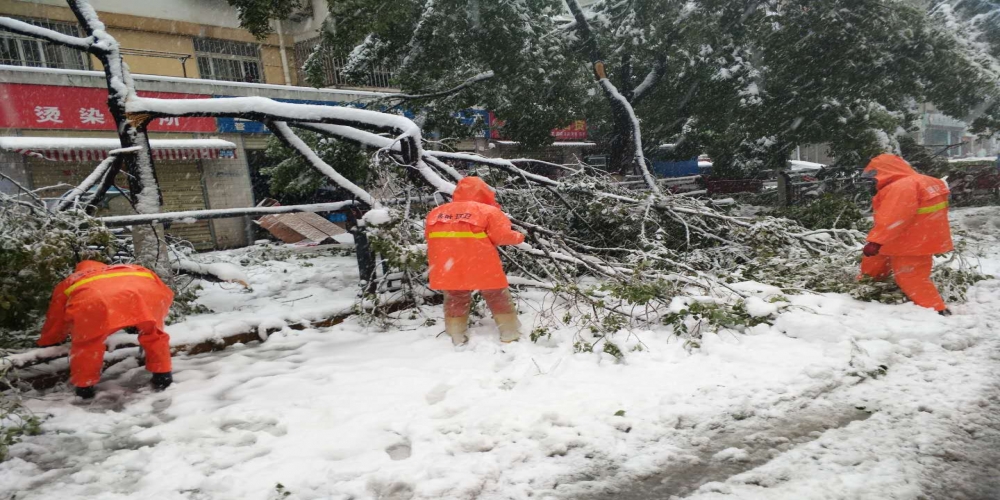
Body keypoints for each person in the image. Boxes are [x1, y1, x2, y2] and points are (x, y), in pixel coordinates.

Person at [38, 260, 175, 398]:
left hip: (95, 302)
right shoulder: (134, 269)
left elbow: (56, 317)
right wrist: (141, 318)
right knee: (154, 334)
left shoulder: (73, 280)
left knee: (88, 344)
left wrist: (51, 339)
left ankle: (85, 389)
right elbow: (166, 292)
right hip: (147, 294)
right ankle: (163, 376)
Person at [425, 177, 526, 345]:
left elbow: (429, 236)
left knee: (455, 296)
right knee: (496, 295)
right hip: (480, 261)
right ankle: (509, 332)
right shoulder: (487, 211)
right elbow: (502, 236)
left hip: (447, 263)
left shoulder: (437, 212)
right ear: (484, 192)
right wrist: (520, 236)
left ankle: (456, 333)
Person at [859, 154, 953, 315]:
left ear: (885, 170)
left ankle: (936, 309)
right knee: (874, 261)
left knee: (911, 276)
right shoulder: (929, 181)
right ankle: (867, 285)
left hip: (910, 242)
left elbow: (894, 217)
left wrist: (876, 241)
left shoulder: (901, 187)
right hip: (916, 236)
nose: (873, 181)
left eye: (874, 176)